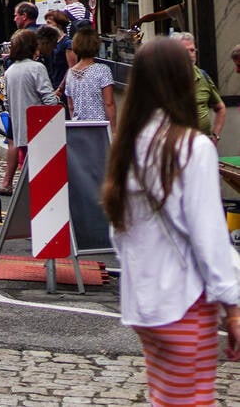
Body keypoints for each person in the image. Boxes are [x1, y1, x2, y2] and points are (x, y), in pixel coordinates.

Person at [101, 37, 240, 404]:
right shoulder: (191, 147)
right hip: (184, 299)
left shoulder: (129, 146)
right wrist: (233, 305)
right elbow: (209, 236)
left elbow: (119, 231)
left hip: (144, 302)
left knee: (166, 397)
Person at [4, 29, 59, 166]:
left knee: (27, 169)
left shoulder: (10, 71)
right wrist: (57, 98)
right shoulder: (37, 68)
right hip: (39, 128)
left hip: (20, 130)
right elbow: (50, 101)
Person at [170, 32, 226, 141]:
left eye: (192, 50)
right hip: (175, 146)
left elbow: (220, 108)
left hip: (202, 143)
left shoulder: (203, 76)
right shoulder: (164, 80)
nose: (190, 54)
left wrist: (215, 136)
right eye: (185, 51)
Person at [64, 27, 116, 130]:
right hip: (99, 127)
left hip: (79, 127)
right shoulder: (102, 70)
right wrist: (114, 129)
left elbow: (71, 106)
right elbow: (109, 103)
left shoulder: (70, 73)